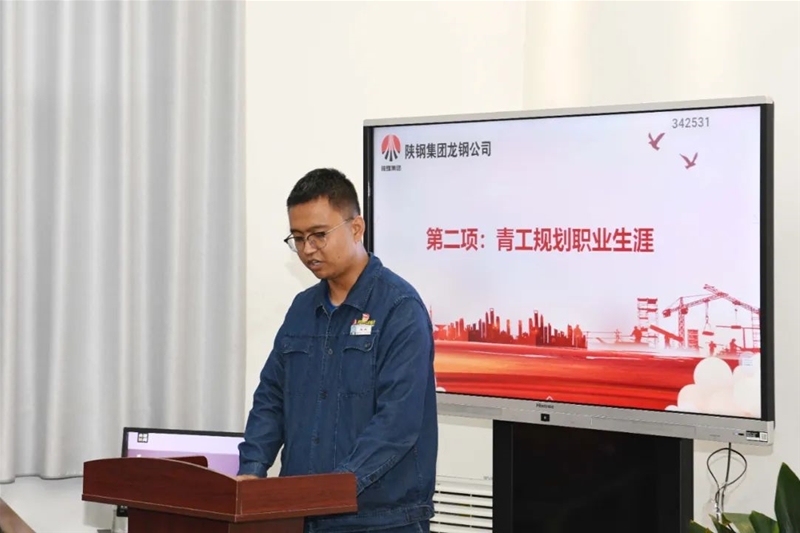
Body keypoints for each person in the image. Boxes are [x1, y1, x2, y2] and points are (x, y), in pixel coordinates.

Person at [237, 168, 438, 533]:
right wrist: (251, 471)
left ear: (356, 228)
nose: (307, 249)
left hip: (380, 521)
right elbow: (271, 398)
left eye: (319, 235)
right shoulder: (302, 309)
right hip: (300, 514)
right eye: (298, 238)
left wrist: (332, 490)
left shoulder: (399, 308)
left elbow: (397, 423)